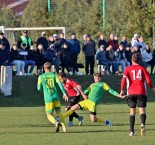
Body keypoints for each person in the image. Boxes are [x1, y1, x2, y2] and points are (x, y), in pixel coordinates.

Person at [120, 53, 155, 136]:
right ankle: (142, 123)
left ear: (131, 60)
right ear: (139, 60)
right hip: (141, 92)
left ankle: (131, 132)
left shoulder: (127, 69)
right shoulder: (142, 68)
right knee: (142, 111)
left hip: (131, 93)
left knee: (132, 112)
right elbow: (148, 80)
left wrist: (122, 90)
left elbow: (123, 80)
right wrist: (152, 88)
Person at [37, 62, 68, 133]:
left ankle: (55, 123)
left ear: (44, 69)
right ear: (51, 68)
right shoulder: (54, 75)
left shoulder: (41, 77)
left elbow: (38, 88)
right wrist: (64, 93)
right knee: (59, 112)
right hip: (55, 96)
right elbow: (60, 84)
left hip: (48, 98)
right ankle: (64, 127)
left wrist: (44, 91)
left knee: (49, 114)